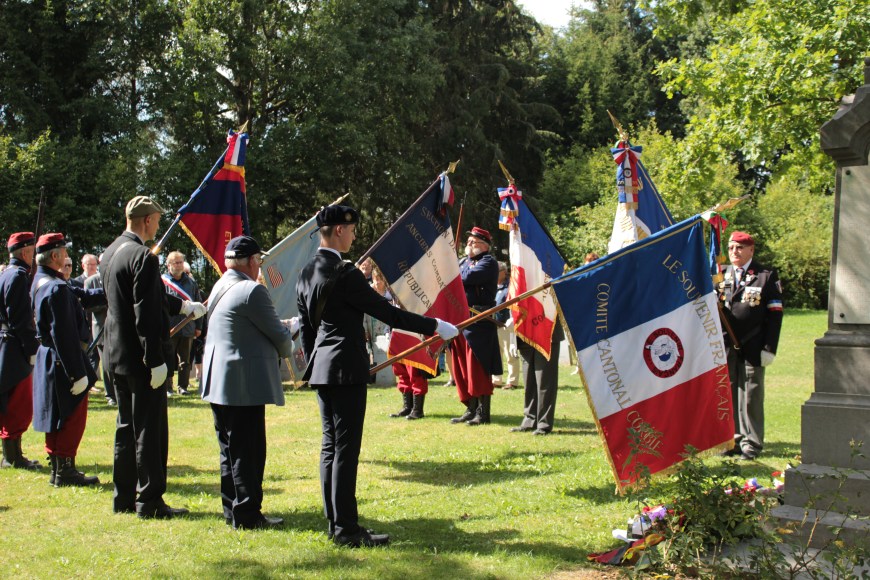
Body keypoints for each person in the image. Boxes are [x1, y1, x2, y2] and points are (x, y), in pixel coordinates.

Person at [296, 204, 458, 548]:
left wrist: (313, 364)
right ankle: (347, 530)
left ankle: (335, 521)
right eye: (351, 230)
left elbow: (309, 330)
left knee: (331, 447)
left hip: (324, 369)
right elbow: (386, 313)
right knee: (345, 450)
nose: (354, 236)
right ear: (338, 230)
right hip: (345, 369)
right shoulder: (346, 273)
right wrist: (434, 325)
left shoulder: (306, 272)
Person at [101, 195, 206, 519]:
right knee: (150, 429)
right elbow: (144, 312)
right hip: (140, 358)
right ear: (147, 220)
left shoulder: (110, 252)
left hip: (116, 353)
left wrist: (183, 306)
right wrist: (155, 360)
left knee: (125, 427)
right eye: (157, 219)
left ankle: (123, 498)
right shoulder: (143, 257)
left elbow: (150, 296)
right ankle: (150, 501)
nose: (159, 224)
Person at [201, 236, 294, 530]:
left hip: (220, 381)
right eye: (260, 262)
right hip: (243, 383)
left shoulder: (220, 285)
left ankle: (233, 509)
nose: (260, 268)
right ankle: (249, 514)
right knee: (248, 451)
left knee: (229, 450)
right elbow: (281, 340)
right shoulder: (251, 290)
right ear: (252, 261)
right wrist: (290, 332)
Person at [31, 233, 105, 486]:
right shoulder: (55, 287)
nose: (65, 257)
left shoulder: (43, 281)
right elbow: (63, 334)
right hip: (63, 359)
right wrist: (77, 373)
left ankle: (59, 468)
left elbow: (83, 296)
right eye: (62, 252)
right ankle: (64, 470)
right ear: (54, 256)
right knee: (70, 415)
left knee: (55, 414)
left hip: (50, 356)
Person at [717, 231, 783, 460]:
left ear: (751, 250)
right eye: (731, 247)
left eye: (740, 248)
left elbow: (775, 315)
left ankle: (752, 444)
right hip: (727, 345)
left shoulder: (765, 276)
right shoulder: (720, 274)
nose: (735, 251)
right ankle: (732, 440)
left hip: (754, 344)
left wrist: (770, 348)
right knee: (729, 393)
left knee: (751, 395)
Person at [449, 227, 502, 426]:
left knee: (477, 368)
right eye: (468, 241)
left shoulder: (488, 262)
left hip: (479, 321)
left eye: (474, 242)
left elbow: (465, 278)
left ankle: (483, 412)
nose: (469, 245)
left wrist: (457, 270)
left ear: (484, 245)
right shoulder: (464, 262)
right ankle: (470, 408)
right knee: (462, 367)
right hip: (462, 319)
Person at [0, 232, 41, 470]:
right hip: (16, 344)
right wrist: (31, 348)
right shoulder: (17, 277)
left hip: (9, 342)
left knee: (14, 400)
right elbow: (21, 319)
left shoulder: (9, 274)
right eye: (32, 251)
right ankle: (12, 456)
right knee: (18, 403)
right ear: (25, 252)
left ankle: (13, 454)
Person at [510, 318, 564, 436]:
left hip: (546, 328)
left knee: (545, 380)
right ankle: (529, 420)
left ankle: (544, 424)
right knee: (529, 380)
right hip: (525, 330)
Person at [162, 251, 203, 396]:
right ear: (168, 265)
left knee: (185, 361)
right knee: (167, 358)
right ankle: (167, 388)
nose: (179, 265)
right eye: (176, 262)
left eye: (180, 262)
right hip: (169, 327)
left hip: (187, 327)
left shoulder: (191, 283)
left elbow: (199, 306)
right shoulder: (162, 282)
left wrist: (198, 326)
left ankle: (183, 387)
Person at [85, 258, 115, 405]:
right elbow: (88, 306)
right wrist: (107, 303)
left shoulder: (116, 277)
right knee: (106, 364)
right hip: (101, 328)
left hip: (118, 328)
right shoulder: (91, 281)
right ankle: (110, 395)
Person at [491, 261, 519, 390]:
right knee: (496, 354)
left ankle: (512, 381)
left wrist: (511, 321)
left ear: (503, 272)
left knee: (510, 354)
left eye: (496, 271)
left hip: (506, 324)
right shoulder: (492, 285)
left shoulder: (510, 286)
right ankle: (496, 380)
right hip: (493, 324)